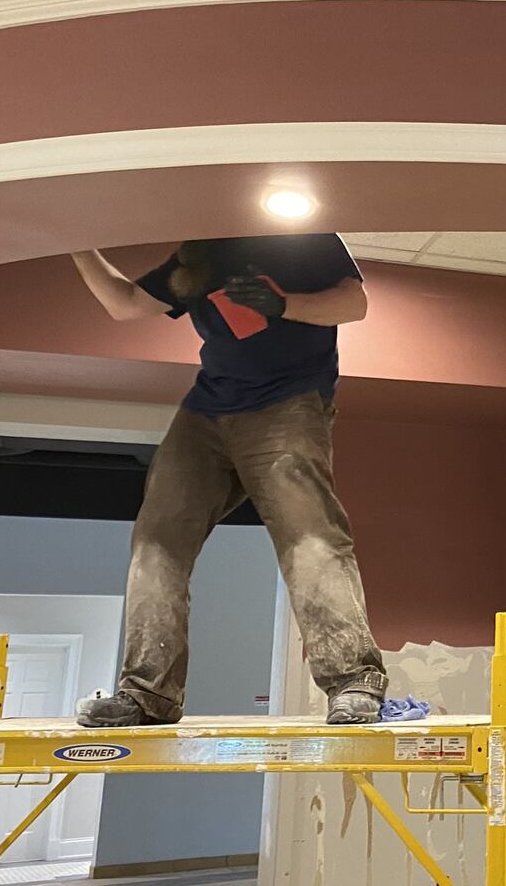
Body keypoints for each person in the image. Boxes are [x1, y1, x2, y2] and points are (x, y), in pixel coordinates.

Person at [70, 234, 386, 726]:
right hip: (208, 410)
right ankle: (146, 694)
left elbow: (354, 302)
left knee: (309, 538)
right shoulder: (198, 254)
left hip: (287, 403)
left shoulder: (305, 238)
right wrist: (79, 245)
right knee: (156, 543)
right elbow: (125, 302)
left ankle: (354, 683)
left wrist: (283, 304)